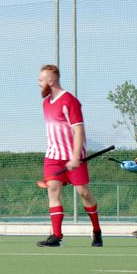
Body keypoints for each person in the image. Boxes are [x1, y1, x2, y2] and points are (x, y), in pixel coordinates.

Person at [37, 65, 102, 247]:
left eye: (41, 80)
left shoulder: (69, 101)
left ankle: (96, 230)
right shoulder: (45, 103)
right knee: (53, 190)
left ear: (51, 81)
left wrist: (74, 157)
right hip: (52, 157)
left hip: (74, 157)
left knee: (83, 192)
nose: (38, 83)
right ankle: (56, 236)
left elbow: (79, 130)